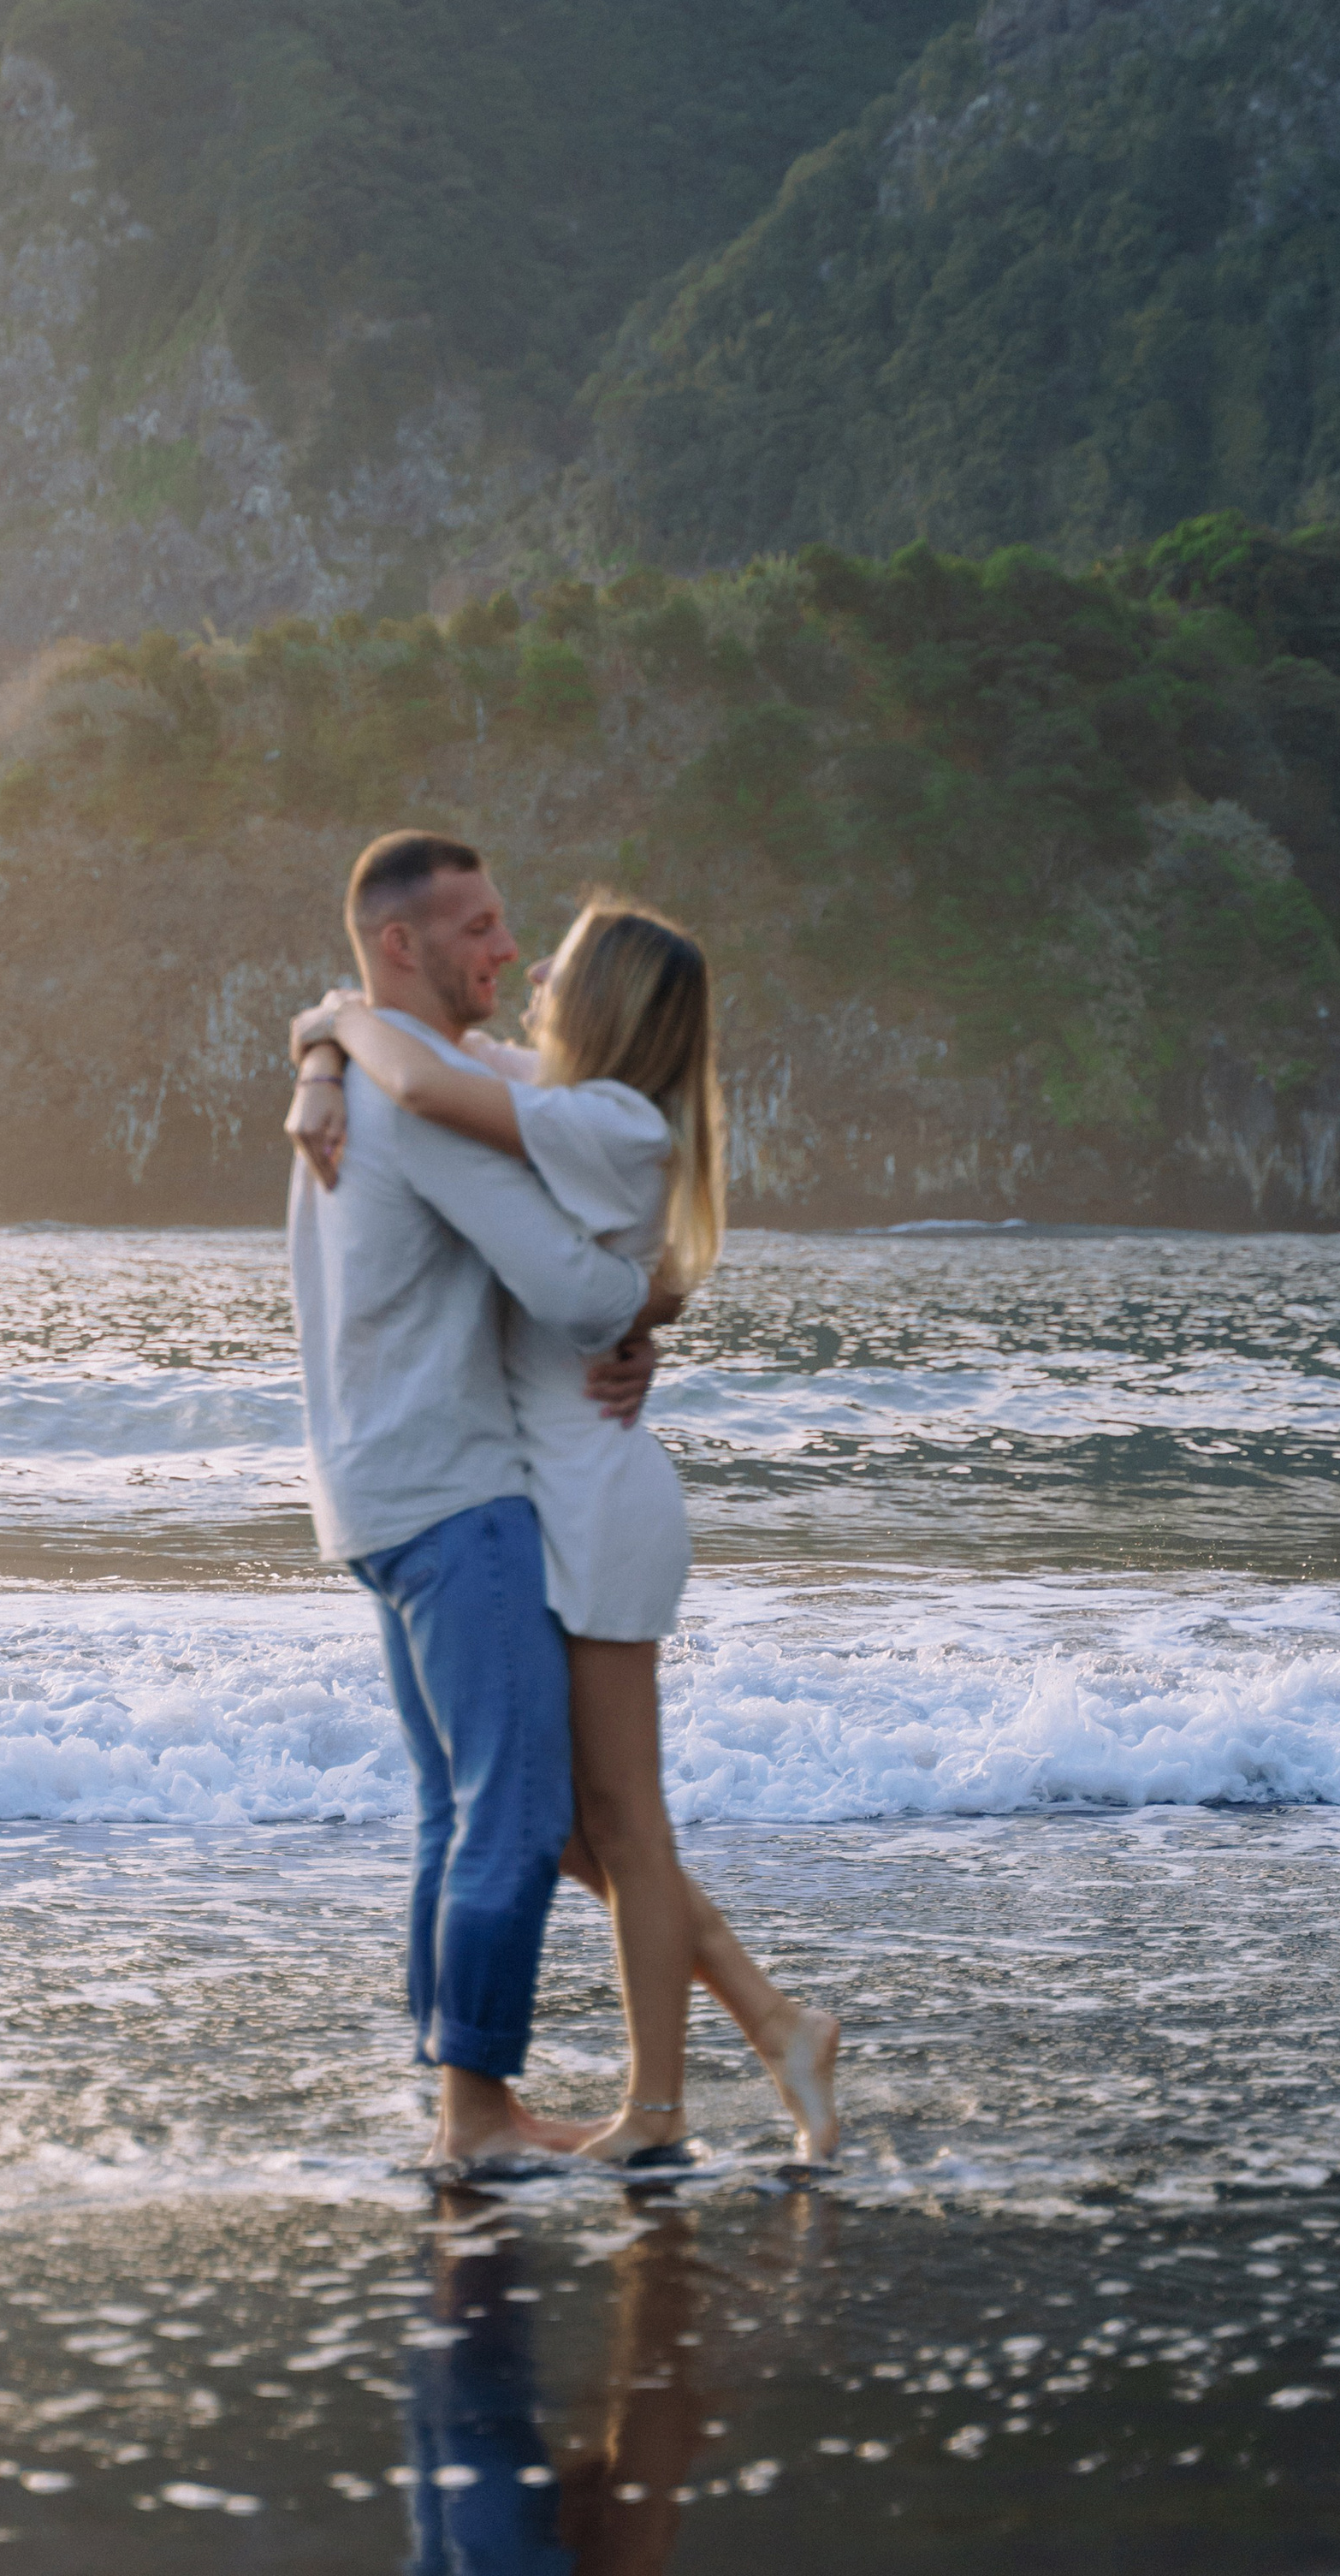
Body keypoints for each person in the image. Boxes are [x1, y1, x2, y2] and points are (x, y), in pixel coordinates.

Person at [290, 893, 840, 2167]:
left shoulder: (604, 1119)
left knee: (625, 1827)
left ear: (607, 999)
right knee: (589, 1827)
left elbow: (420, 1083)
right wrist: (323, 1043)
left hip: (595, 1502)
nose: (531, 966)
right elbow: (433, 1055)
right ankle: (777, 2027)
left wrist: (340, 1033)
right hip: (564, 1490)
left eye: (565, 960)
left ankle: (660, 2112)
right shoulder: (570, 1099)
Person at [285, 832, 679, 2172]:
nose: (507, 949)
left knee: (452, 1812)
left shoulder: (365, 1075)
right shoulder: (415, 1099)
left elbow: (345, 1018)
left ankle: (457, 2102)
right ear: (401, 945)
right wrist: (647, 1305)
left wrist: (324, 1040)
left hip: (369, 1490)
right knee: (512, 1815)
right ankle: (477, 2116)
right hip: (458, 1492)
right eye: (479, 928)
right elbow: (571, 1293)